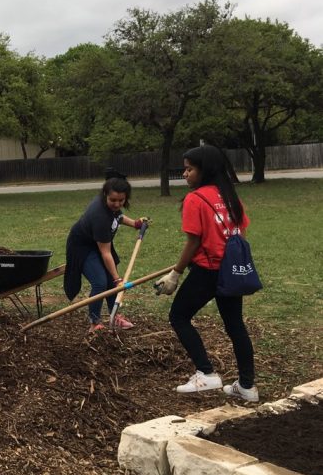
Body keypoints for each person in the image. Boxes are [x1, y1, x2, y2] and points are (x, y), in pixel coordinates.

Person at [154, 145, 258, 401]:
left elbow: (194, 241)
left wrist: (175, 274)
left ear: (205, 170)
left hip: (208, 270)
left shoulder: (196, 199)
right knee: (235, 326)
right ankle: (247, 386)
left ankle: (206, 373)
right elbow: (240, 235)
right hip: (230, 271)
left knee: (179, 315)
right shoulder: (230, 196)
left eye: (189, 169)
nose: (185, 174)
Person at [64, 169, 149, 332]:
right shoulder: (100, 216)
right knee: (101, 282)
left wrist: (135, 224)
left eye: (121, 200)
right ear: (105, 195)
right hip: (82, 247)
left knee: (110, 281)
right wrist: (117, 279)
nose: (117, 204)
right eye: (113, 200)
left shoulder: (112, 207)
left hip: (97, 243)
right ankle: (94, 323)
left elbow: (118, 216)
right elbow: (105, 253)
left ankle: (114, 316)